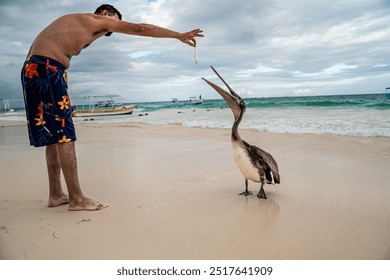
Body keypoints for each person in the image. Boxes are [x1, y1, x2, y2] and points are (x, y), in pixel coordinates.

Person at [21, 4, 204, 211]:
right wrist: (178, 35)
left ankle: (56, 194)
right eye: (112, 24)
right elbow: (139, 28)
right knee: (64, 134)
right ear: (106, 14)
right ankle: (77, 199)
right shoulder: (96, 19)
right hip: (47, 68)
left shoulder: (72, 22)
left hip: (33, 68)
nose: (110, 29)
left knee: (53, 134)